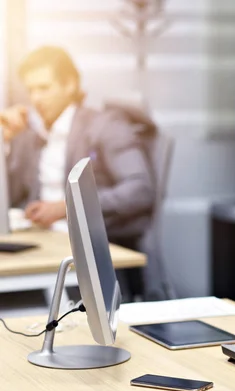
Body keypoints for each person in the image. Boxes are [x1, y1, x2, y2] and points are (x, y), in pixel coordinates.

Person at [0, 46, 155, 297]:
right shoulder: (32, 136)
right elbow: (13, 194)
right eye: (31, 90)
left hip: (88, 254)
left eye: (44, 88)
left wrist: (67, 206)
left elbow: (140, 189)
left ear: (70, 85)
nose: (36, 98)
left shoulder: (106, 125)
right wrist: (5, 141)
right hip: (42, 245)